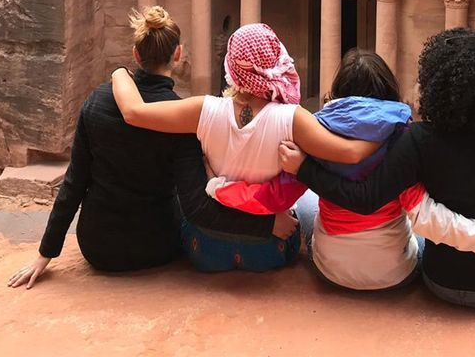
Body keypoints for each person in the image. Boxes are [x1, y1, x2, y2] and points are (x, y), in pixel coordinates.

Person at [8, 7, 295, 289]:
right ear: (178, 54)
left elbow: (74, 183)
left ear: (136, 54)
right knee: (197, 187)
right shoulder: (179, 117)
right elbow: (196, 208)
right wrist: (265, 225)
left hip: (97, 247)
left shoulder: (96, 101)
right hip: (157, 244)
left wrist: (44, 254)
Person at [204, 49, 475, 290]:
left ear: (338, 90)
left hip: (331, 270)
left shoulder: (316, 132)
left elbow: (274, 196)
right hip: (395, 273)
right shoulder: (402, 140)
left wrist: (218, 186)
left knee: (306, 202)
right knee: (416, 233)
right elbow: (426, 216)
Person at [281, 28, 475, 309]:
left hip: (440, 281)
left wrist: (305, 169)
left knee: (313, 205)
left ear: (434, 83)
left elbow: (368, 197)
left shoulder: (419, 139)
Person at [109, 23, 378, 272]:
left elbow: (134, 112)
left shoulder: (203, 109)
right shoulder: (292, 119)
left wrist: (119, 72)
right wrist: (395, 122)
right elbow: (351, 153)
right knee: (308, 201)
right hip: (271, 248)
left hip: (204, 248)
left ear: (230, 67)